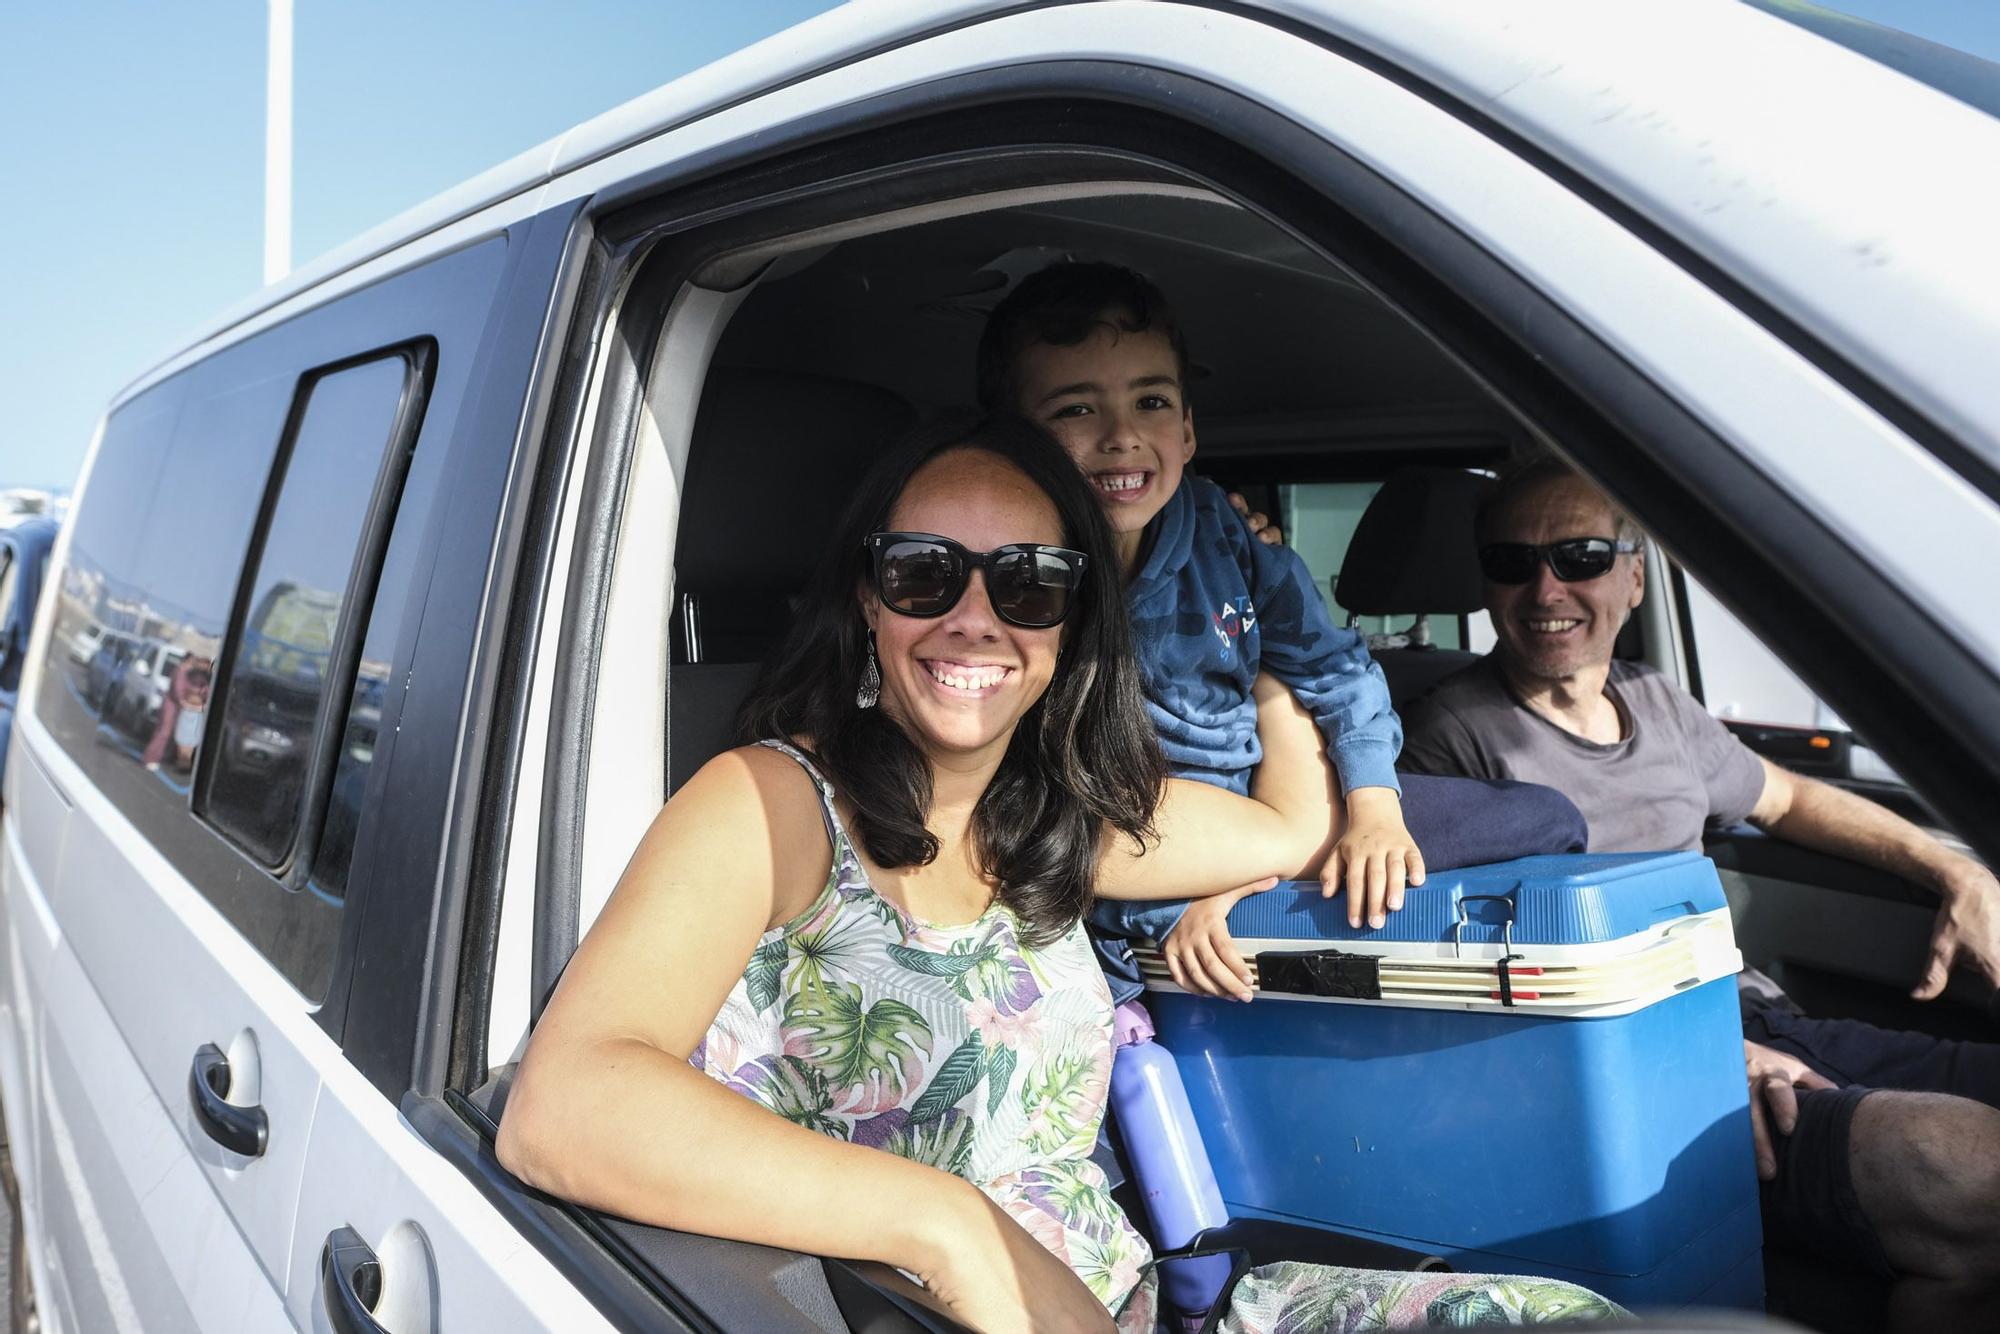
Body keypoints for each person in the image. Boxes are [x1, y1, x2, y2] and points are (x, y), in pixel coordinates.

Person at [497, 417, 1620, 1332]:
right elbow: (566, 1104)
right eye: (924, 572)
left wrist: (1280, 655)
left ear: (1076, 621)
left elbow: (1288, 828)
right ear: (865, 595)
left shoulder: (1059, 819)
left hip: (1158, 1302)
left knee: (1570, 1319)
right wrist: (941, 1223)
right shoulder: (767, 801)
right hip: (921, 1309)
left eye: (1030, 582)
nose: (975, 616)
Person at [1398, 455, 2000, 1331]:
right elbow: (1457, 987)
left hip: (1760, 1016)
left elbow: (1788, 797)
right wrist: (1688, 1056)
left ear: (1633, 577)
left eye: (1580, 555)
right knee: (1975, 1177)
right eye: (1511, 563)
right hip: (1640, 1066)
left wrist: (1955, 869)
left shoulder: (1656, 700)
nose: (1545, 587)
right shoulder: (1448, 740)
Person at [975, 262, 1585, 1001]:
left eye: (1152, 401)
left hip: (1281, 795)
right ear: (1017, 442)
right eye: (1076, 410)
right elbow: (1047, 818)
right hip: (1149, 844)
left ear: (1191, 429)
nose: (1122, 436)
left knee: (1549, 817)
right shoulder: (1018, 583)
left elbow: (1334, 668)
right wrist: (1195, 895)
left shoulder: (1226, 537)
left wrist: (1373, 808)